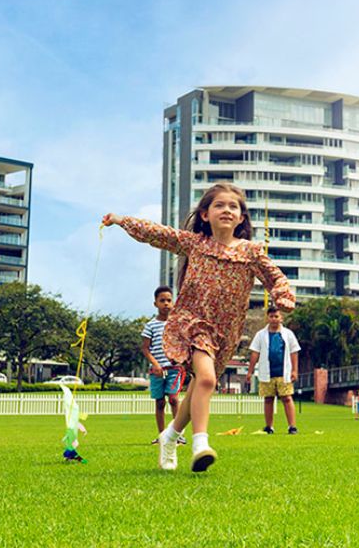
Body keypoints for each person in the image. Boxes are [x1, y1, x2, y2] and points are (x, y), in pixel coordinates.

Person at [102, 183, 295, 473]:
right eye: (219, 205)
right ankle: (200, 444)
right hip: (192, 323)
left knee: (198, 388)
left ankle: (170, 436)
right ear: (205, 214)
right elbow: (158, 234)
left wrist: (283, 296)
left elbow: (275, 278)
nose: (227, 210)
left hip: (225, 331)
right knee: (206, 379)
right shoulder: (195, 243)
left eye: (233, 207)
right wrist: (120, 220)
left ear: (241, 218)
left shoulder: (251, 252)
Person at [246, 306, 300, 434]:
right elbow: (255, 353)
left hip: (283, 372)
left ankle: (292, 426)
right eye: (271, 316)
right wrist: (250, 371)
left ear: (281, 318)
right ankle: (269, 426)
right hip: (267, 372)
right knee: (268, 399)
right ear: (267, 318)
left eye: (276, 316)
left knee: (287, 398)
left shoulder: (288, 334)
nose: (274, 319)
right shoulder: (260, 335)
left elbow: (294, 352)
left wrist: (294, 370)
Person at [141, 286, 184, 444]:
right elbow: (145, 348)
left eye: (168, 300)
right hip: (158, 370)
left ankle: (177, 434)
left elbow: (182, 344)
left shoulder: (177, 324)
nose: (166, 303)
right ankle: (162, 435)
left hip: (174, 368)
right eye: (162, 300)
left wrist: (180, 360)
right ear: (155, 303)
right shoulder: (151, 325)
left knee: (173, 399)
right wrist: (155, 364)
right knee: (160, 402)